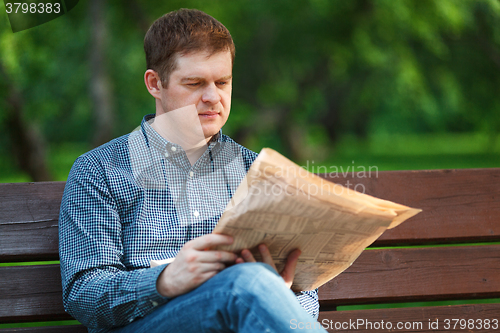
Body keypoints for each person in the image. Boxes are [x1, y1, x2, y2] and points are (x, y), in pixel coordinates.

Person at [59, 9, 325, 333]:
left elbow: (307, 292)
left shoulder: (257, 170)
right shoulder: (99, 170)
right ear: (155, 83)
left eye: (222, 82)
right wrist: (165, 280)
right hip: (145, 325)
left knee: (248, 285)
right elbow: (83, 293)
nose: (213, 97)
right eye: (195, 83)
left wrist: (276, 297)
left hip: (241, 318)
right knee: (241, 285)